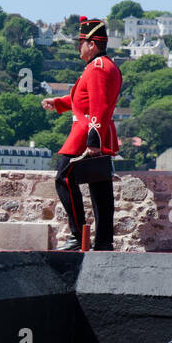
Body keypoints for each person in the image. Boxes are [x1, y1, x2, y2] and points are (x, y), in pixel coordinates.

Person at [42, 16, 121, 251]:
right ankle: (104, 243)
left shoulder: (98, 68)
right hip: (95, 132)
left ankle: (77, 234)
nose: (78, 47)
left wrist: (93, 140)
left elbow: (99, 105)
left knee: (64, 178)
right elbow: (83, 99)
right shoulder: (102, 66)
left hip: (87, 134)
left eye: (81, 42)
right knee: (100, 190)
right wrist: (59, 103)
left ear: (92, 44)